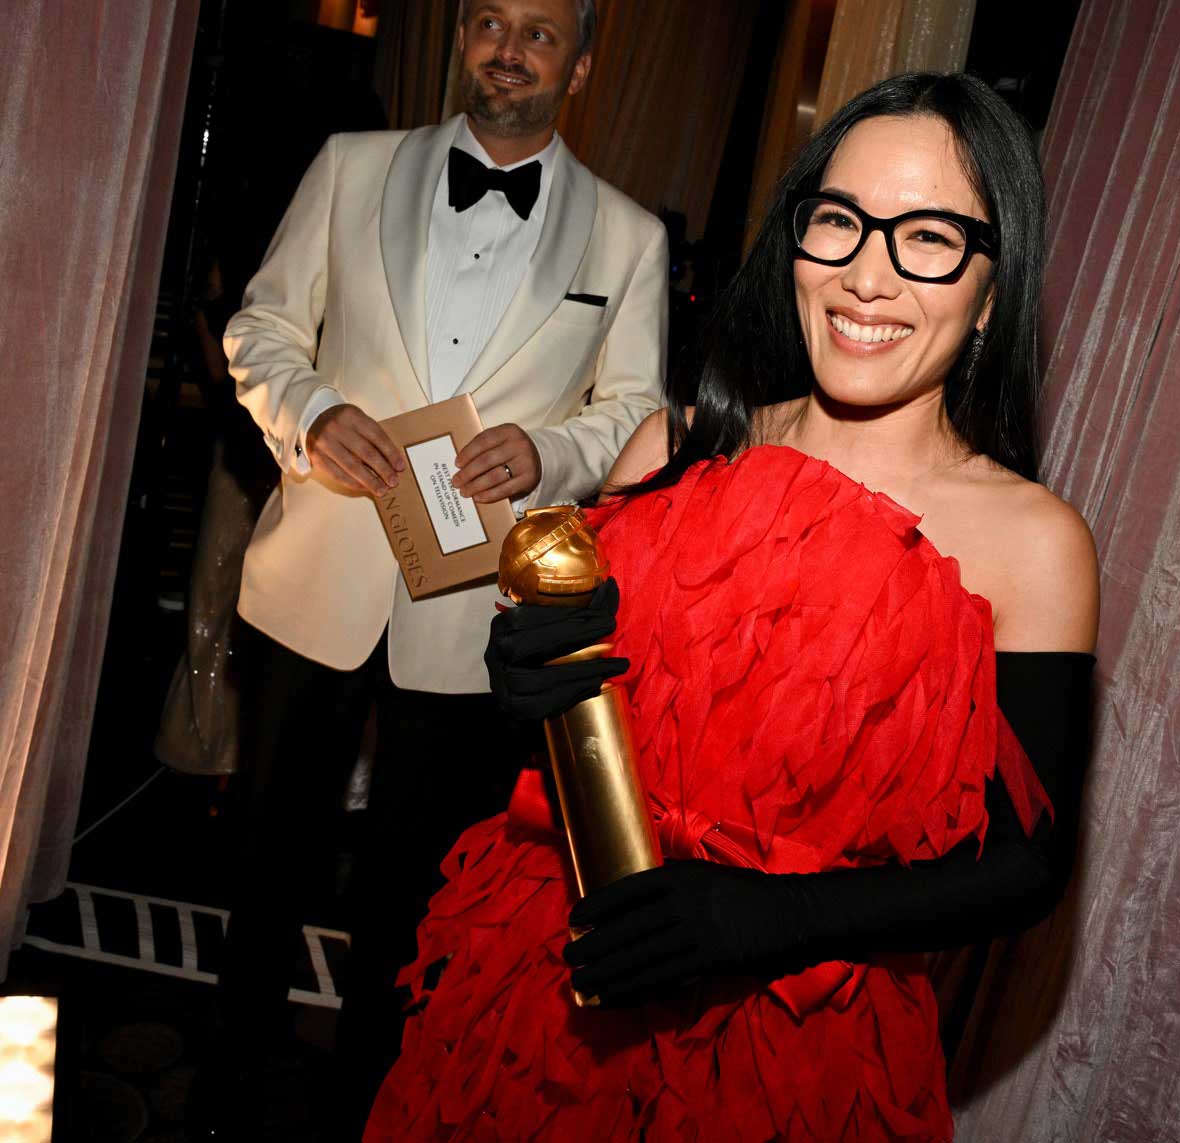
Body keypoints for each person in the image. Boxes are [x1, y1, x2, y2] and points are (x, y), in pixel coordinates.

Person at [365, 72, 1098, 1142]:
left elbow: (1027, 866)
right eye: (839, 220)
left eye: (930, 238)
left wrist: (778, 917)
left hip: (792, 1038)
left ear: (992, 291)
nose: (867, 275)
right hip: (548, 981)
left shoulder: (1032, 544)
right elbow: (580, 738)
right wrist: (524, 689)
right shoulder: (671, 449)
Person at [202, 0, 667, 1133]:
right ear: (463, 39)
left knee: (411, 901)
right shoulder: (350, 167)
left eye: (540, 34)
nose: (509, 49)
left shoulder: (628, 236)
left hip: (471, 618)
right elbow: (260, 328)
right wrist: (311, 414)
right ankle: (223, 1095)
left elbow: (636, 411)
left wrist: (550, 452)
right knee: (265, 865)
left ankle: (367, 1107)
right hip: (315, 578)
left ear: (580, 67)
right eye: (490, 22)